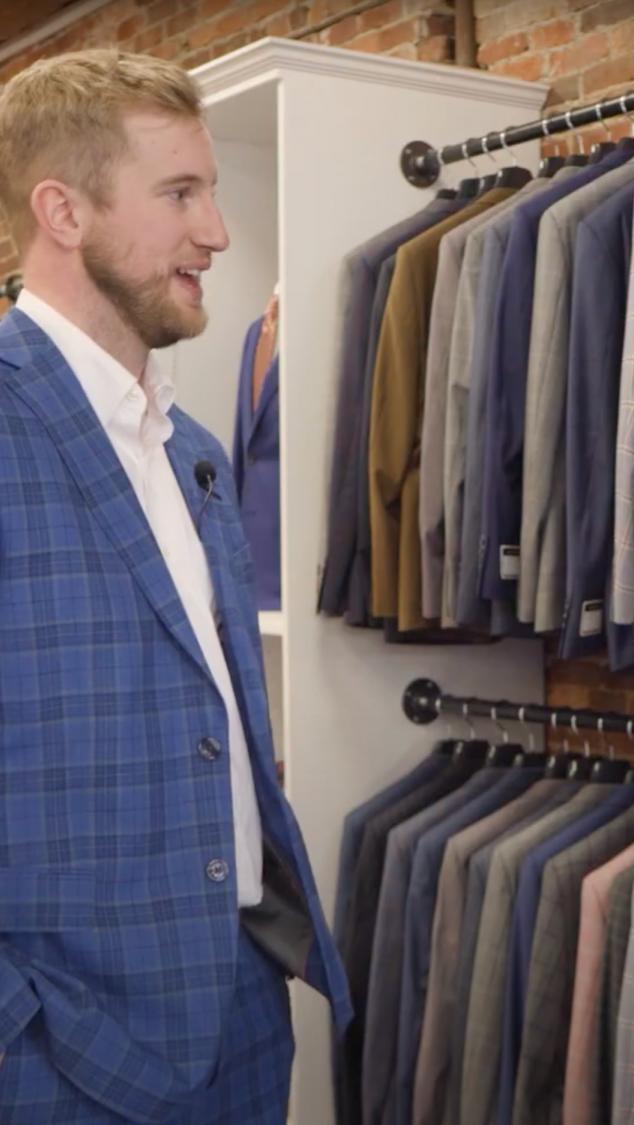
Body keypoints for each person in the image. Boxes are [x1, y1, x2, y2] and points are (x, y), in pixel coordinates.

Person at [0, 49, 350, 1121]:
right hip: (61, 1056)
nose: (219, 232)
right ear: (64, 211)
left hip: (241, 1014)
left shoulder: (189, 449)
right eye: (180, 194)